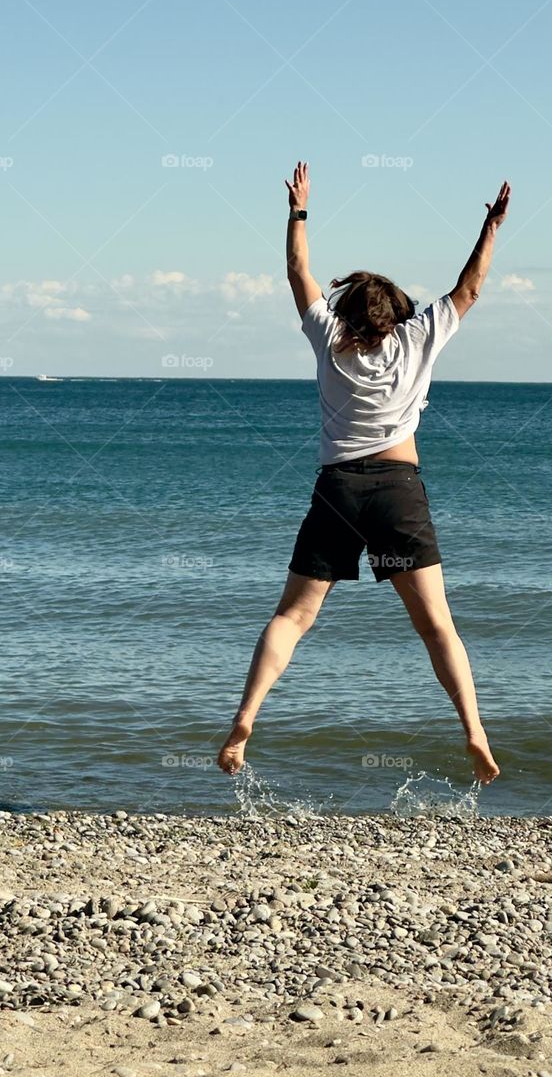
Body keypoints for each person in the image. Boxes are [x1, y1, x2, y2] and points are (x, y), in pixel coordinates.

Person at [217, 162, 510, 785]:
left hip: (338, 492)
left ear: (347, 310)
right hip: (398, 493)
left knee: (293, 617)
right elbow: (470, 288)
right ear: (397, 312)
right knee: (436, 625)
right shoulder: (419, 338)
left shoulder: (329, 338)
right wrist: (490, 226)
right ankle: (475, 734)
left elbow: (298, 273)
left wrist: (298, 210)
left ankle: (245, 720)